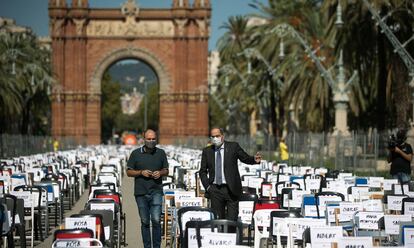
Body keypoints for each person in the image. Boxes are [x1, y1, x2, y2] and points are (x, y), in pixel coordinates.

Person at [199, 127, 262, 220]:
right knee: (217, 221)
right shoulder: (207, 151)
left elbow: (245, 158)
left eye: (217, 136)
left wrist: (254, 159)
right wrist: (208, 187)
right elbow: (202, 171)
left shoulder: (233, 147)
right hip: (215, 190)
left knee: (232, 220)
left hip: (231, 189)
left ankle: (231, 234)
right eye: (213, 137)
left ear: (222, 136)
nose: (215, 138)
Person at [126, 129, 169, 248]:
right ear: (144, 139)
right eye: (149, 139)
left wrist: (160, 173)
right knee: (145, 221)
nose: (151, 141)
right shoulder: (135, 154)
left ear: (156, 139)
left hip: (156, 190)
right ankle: (147, 246)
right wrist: (141, 172)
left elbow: (166, 170)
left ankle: (156, 246)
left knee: (155, 220)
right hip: (140, 192)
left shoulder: (161, 153)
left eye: (153, 139)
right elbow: (129, 172)